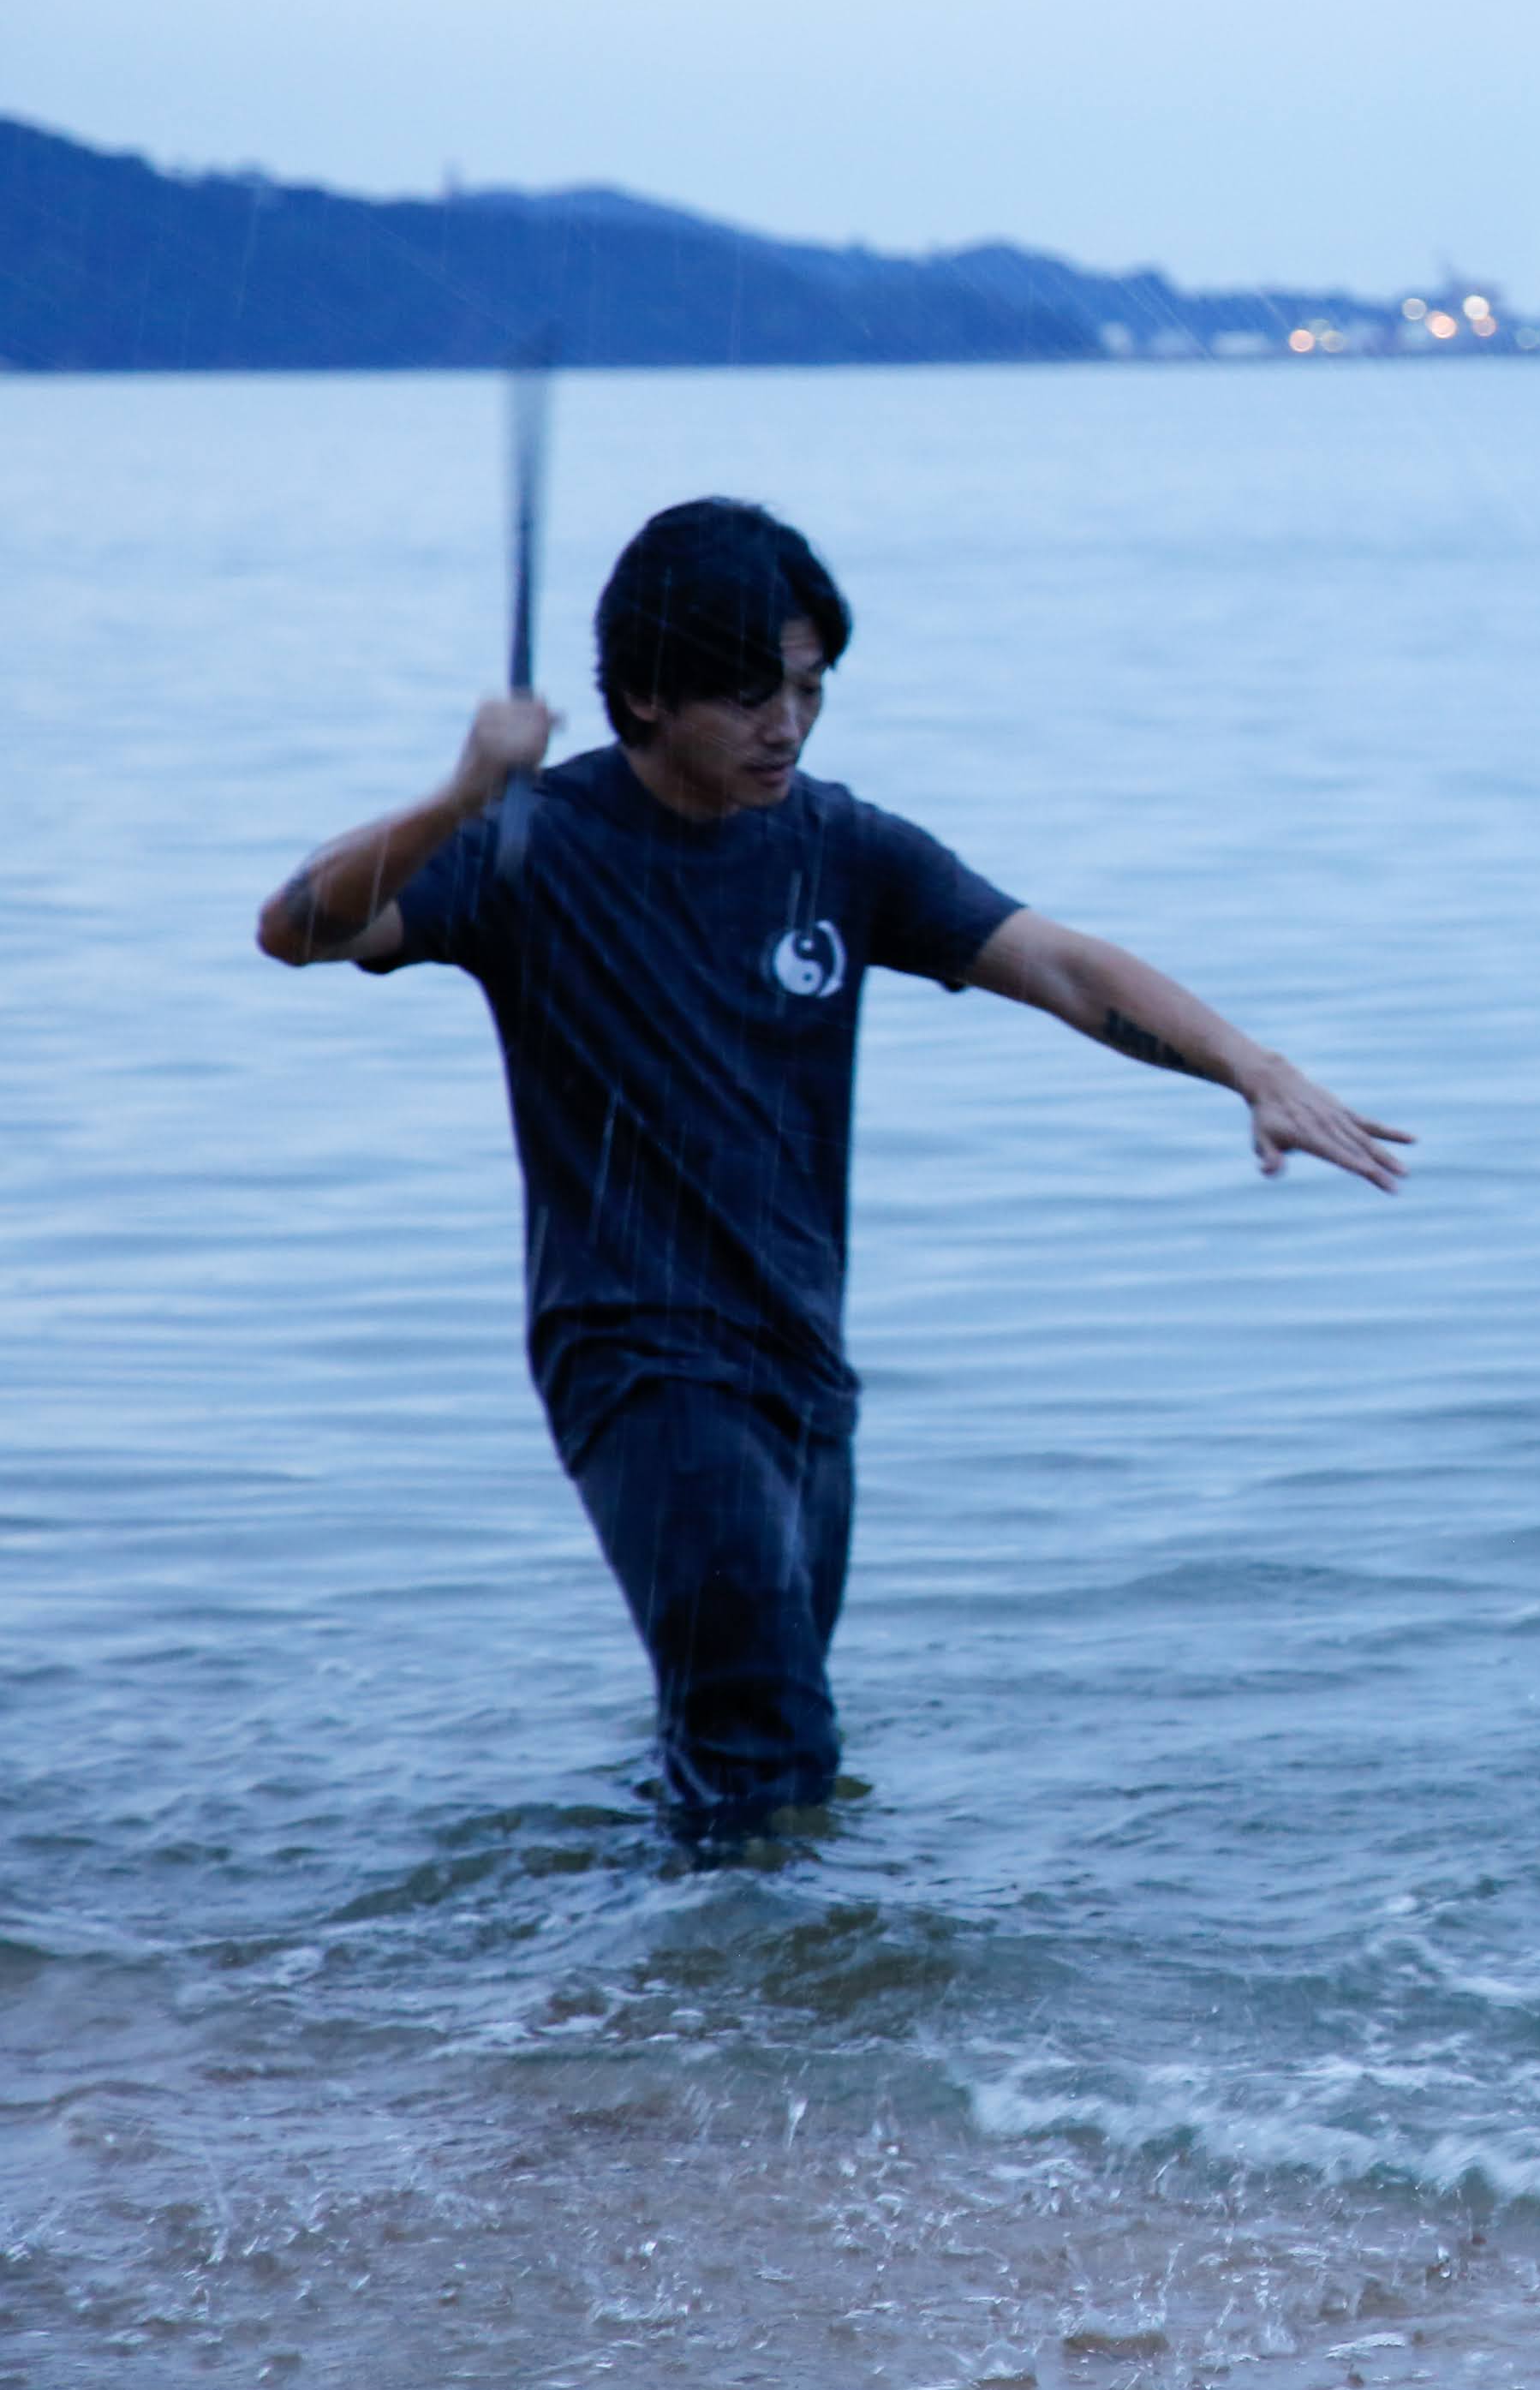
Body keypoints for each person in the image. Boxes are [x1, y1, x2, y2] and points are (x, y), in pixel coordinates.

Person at [258, 498, 1407, 1844]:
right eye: (752, 694)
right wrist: (460, 794)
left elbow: (1057, 962)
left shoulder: (840, 849)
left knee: (739, 1742)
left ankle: (639, 1961)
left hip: (803, 1369)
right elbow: (299, 927)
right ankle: (744, 1978)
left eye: (809, 689)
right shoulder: (531, 846)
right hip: (640, 1364)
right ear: (645, 692)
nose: (788, 726)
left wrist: (1249, 1065)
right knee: (768, 1746)